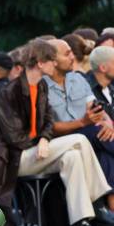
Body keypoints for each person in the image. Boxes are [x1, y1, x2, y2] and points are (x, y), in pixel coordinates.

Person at [0, 39, 114, 226]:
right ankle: (99, 204)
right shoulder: (10, 91)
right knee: (79, 139)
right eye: (51, 60)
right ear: (41, 63)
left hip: (41, 152)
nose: (55, 64)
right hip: (18, 158)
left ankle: (80, 223)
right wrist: (40, 140)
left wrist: (44, 138)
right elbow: (12, 136)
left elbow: (48, 122)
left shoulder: (40, 87)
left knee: (74, 156)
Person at [44, 39, 114, 216]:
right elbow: (49, 128)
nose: (72, 57)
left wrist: (106, 122)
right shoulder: (42, 86)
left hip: (90, 135)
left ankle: (109, 207)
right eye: (66, 53)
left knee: (104, 150)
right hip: (62, 140)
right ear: (52, 59)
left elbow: (95, 108)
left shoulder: (77, 79)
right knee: (97, 134)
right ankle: (105, 208)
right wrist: (83, 122)